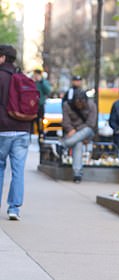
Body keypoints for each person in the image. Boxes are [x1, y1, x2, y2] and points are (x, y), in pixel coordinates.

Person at [0, 44, 31, 221]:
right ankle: (14, 208)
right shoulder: (22, 77)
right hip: (22, 130)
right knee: (18, 170)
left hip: (2, 130)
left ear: (3, 57)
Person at [60, 89, 97, 183]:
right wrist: (71, 130)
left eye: (82, 102)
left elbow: (91, 123)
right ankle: (77, 174)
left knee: (85, 131)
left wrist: (76, 130)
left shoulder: (92, 105)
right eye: (77, 102)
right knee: (78, 143)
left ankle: (62, 145)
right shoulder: (67, 105)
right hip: (72, 133)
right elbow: (66, 122)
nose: (80, 105)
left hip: (87, 132)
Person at [33, 67, 51, 140]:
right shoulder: (32, 81)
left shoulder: (44, 82)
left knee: (40, 120)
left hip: (40, 104)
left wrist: (41, 81)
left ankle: (41, 133)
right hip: (32, 105)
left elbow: (48, 91)